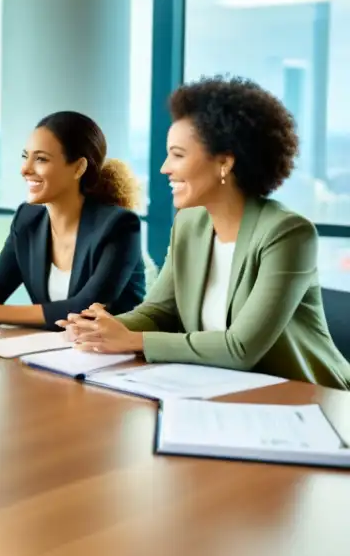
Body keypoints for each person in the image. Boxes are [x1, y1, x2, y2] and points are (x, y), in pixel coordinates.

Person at [62, 75, 350, 390]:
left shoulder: (287, 233)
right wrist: (100, 327)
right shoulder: (190, 224)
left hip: (307, 399)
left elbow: (241, 348)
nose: (164, 168)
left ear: (224, 162)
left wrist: (132, 339)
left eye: (178, 154)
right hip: (223, 389)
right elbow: (159, 311)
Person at [0, 111, 145, 329]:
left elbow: (84, 309)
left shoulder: (120, 226)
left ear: (78, 167)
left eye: (41, 159)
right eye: (25, 157)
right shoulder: (27, 219)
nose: (25, 169)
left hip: (119, 365)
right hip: (56, 353)